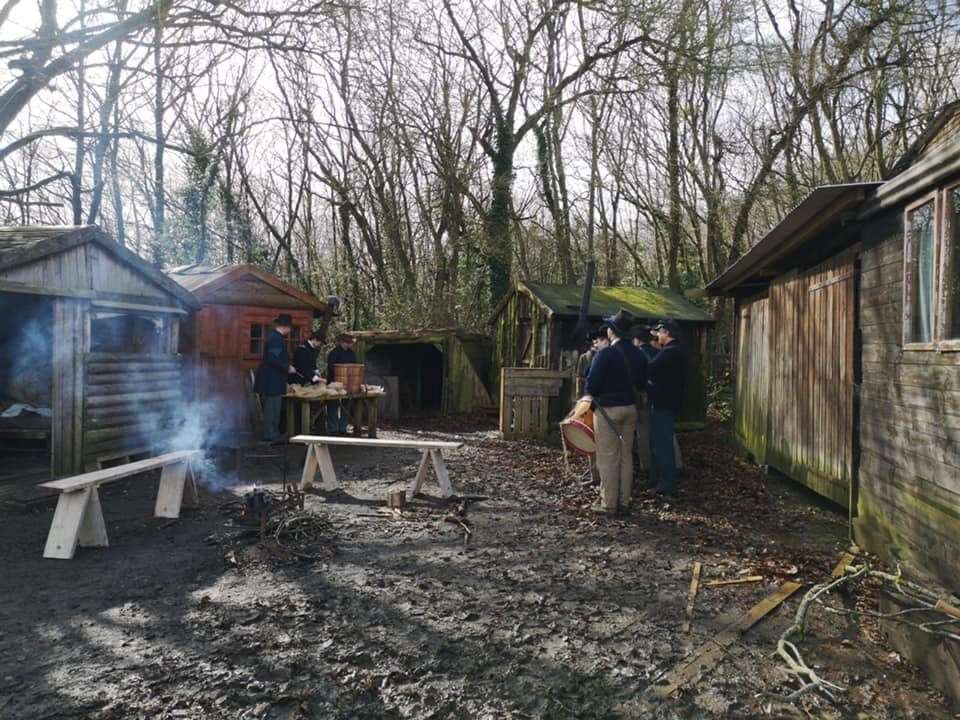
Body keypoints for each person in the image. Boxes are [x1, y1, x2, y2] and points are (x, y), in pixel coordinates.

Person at [582, 309, 647, 514]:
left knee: (608, 457)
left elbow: (592, 385)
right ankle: (624, 502)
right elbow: (642, 382)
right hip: (630, 408)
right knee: (626, 456)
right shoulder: (639, 353)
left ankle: (608, 504)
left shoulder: (606, 354)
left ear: (612, 331)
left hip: (608, 410)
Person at [647, 319, 686, 495]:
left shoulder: (669, 352)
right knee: (662, 443)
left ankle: (666, 483)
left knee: (662, 445)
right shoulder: (679, 351)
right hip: (670, 403)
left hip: (663, 403)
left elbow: (650, 369)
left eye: (660, 332)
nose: (658, 336)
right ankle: (661, 480)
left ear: (667, 332)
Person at [253, 314, 296, 442]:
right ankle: (270, 435)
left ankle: (273, 433)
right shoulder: (275, 339)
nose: (291, 330)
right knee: (272, 409)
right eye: (290, 327)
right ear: (285, 327)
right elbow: (273, 360)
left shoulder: (276, 338)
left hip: (273, 379)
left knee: (274, 408)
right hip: (271, 380)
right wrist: (287, 367)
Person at [325, 333, 357, 434]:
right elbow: (331, 367)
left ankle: (343, 428)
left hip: (348, 383)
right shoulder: (333, 353)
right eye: (348, 343)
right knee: (332, 405)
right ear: (343, 342)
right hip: (334, 383)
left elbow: (354, 366)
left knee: (346, 405)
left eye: (351, 343)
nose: (350, 345)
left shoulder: (351, 353)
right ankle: (333, 429)